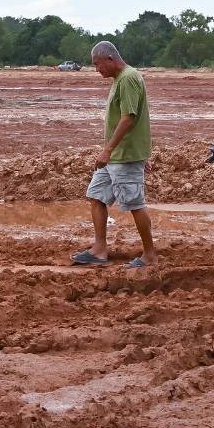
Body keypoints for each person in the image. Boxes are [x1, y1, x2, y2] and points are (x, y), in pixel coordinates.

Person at [71, 41, 156, 269]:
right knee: (96, 196)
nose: (97, 69)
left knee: (134, 203)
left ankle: (150, 255)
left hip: (123, 155)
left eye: (97, 64)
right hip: (116, 155)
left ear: (110, 59)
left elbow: (129, 117)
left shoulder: (128, 78)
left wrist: (109, 150)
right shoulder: (120, 79)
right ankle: (99, 250)